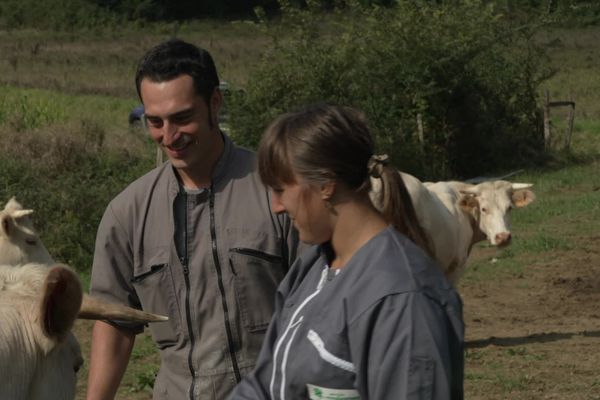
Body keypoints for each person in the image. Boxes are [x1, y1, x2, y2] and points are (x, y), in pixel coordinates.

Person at [86, 39, 301, 400]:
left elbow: (322, 305)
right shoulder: (127, 213)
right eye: (155, 122)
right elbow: (115, 323)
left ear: (215, 103)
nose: (168, 137)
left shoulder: (277, 190)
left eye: (182, 118)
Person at [229, 104, 464, 399]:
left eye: (280, 189)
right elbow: (266, 383)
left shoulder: (403, 299)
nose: (276, 206)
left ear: (326, 184)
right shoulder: (311, 269)